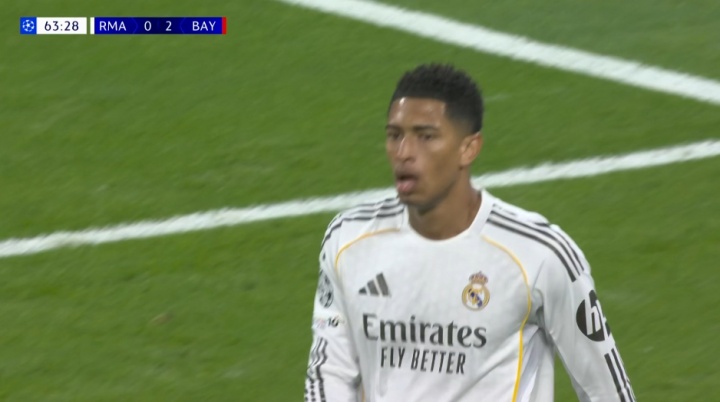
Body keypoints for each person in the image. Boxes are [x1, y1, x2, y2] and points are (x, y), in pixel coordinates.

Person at [305, 63, 635, 402]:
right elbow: (329, 372)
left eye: (426, 136)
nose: (404, 153)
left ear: (469, 148)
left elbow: (607, 391)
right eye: (395, 135)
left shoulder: (540, 255)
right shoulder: (349, 240)